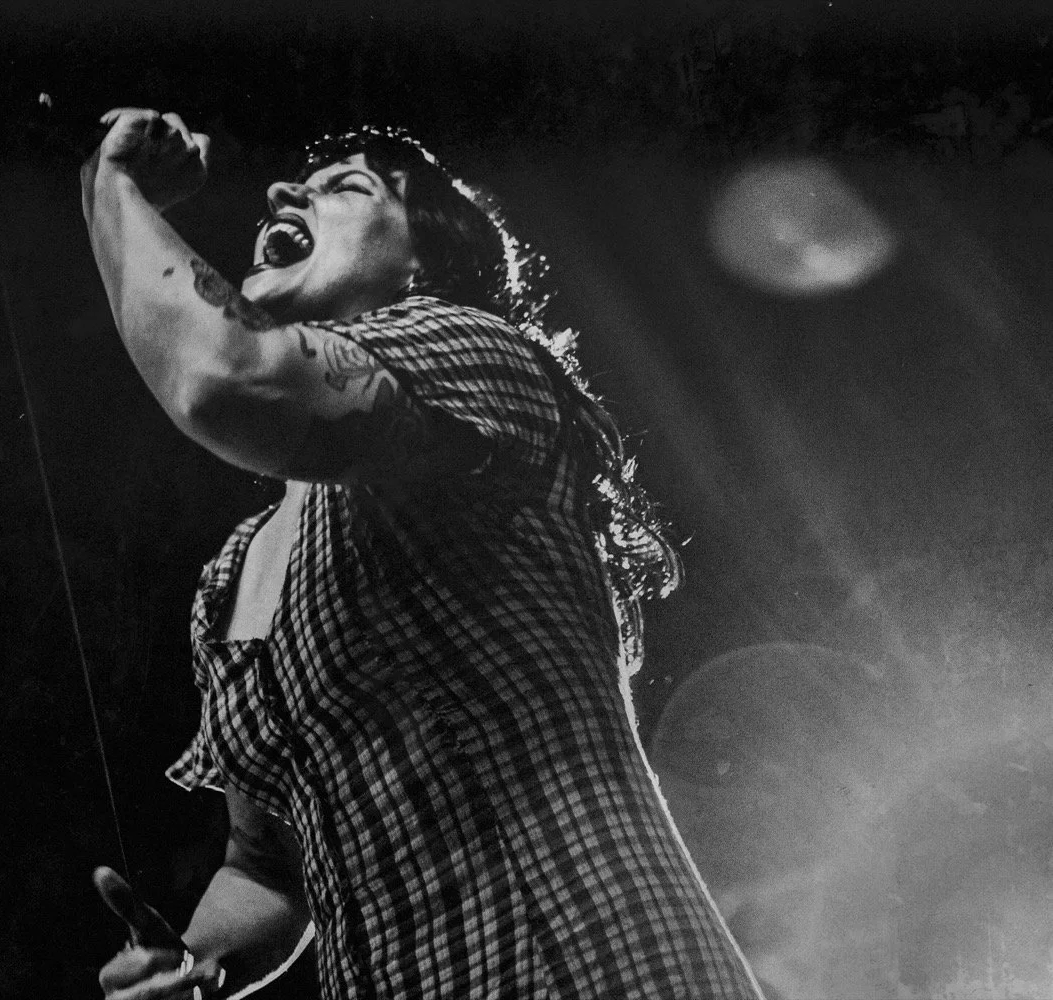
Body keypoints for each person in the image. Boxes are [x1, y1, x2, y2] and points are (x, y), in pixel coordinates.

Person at [82, 107, 764, 1000]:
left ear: (427, 260)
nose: (283, 193)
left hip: (591, 964)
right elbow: (268, 868)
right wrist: (195, 965)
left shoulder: (475, 354)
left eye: (347, 186)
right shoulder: (235, 574)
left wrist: (114, 189)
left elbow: (224, 377)